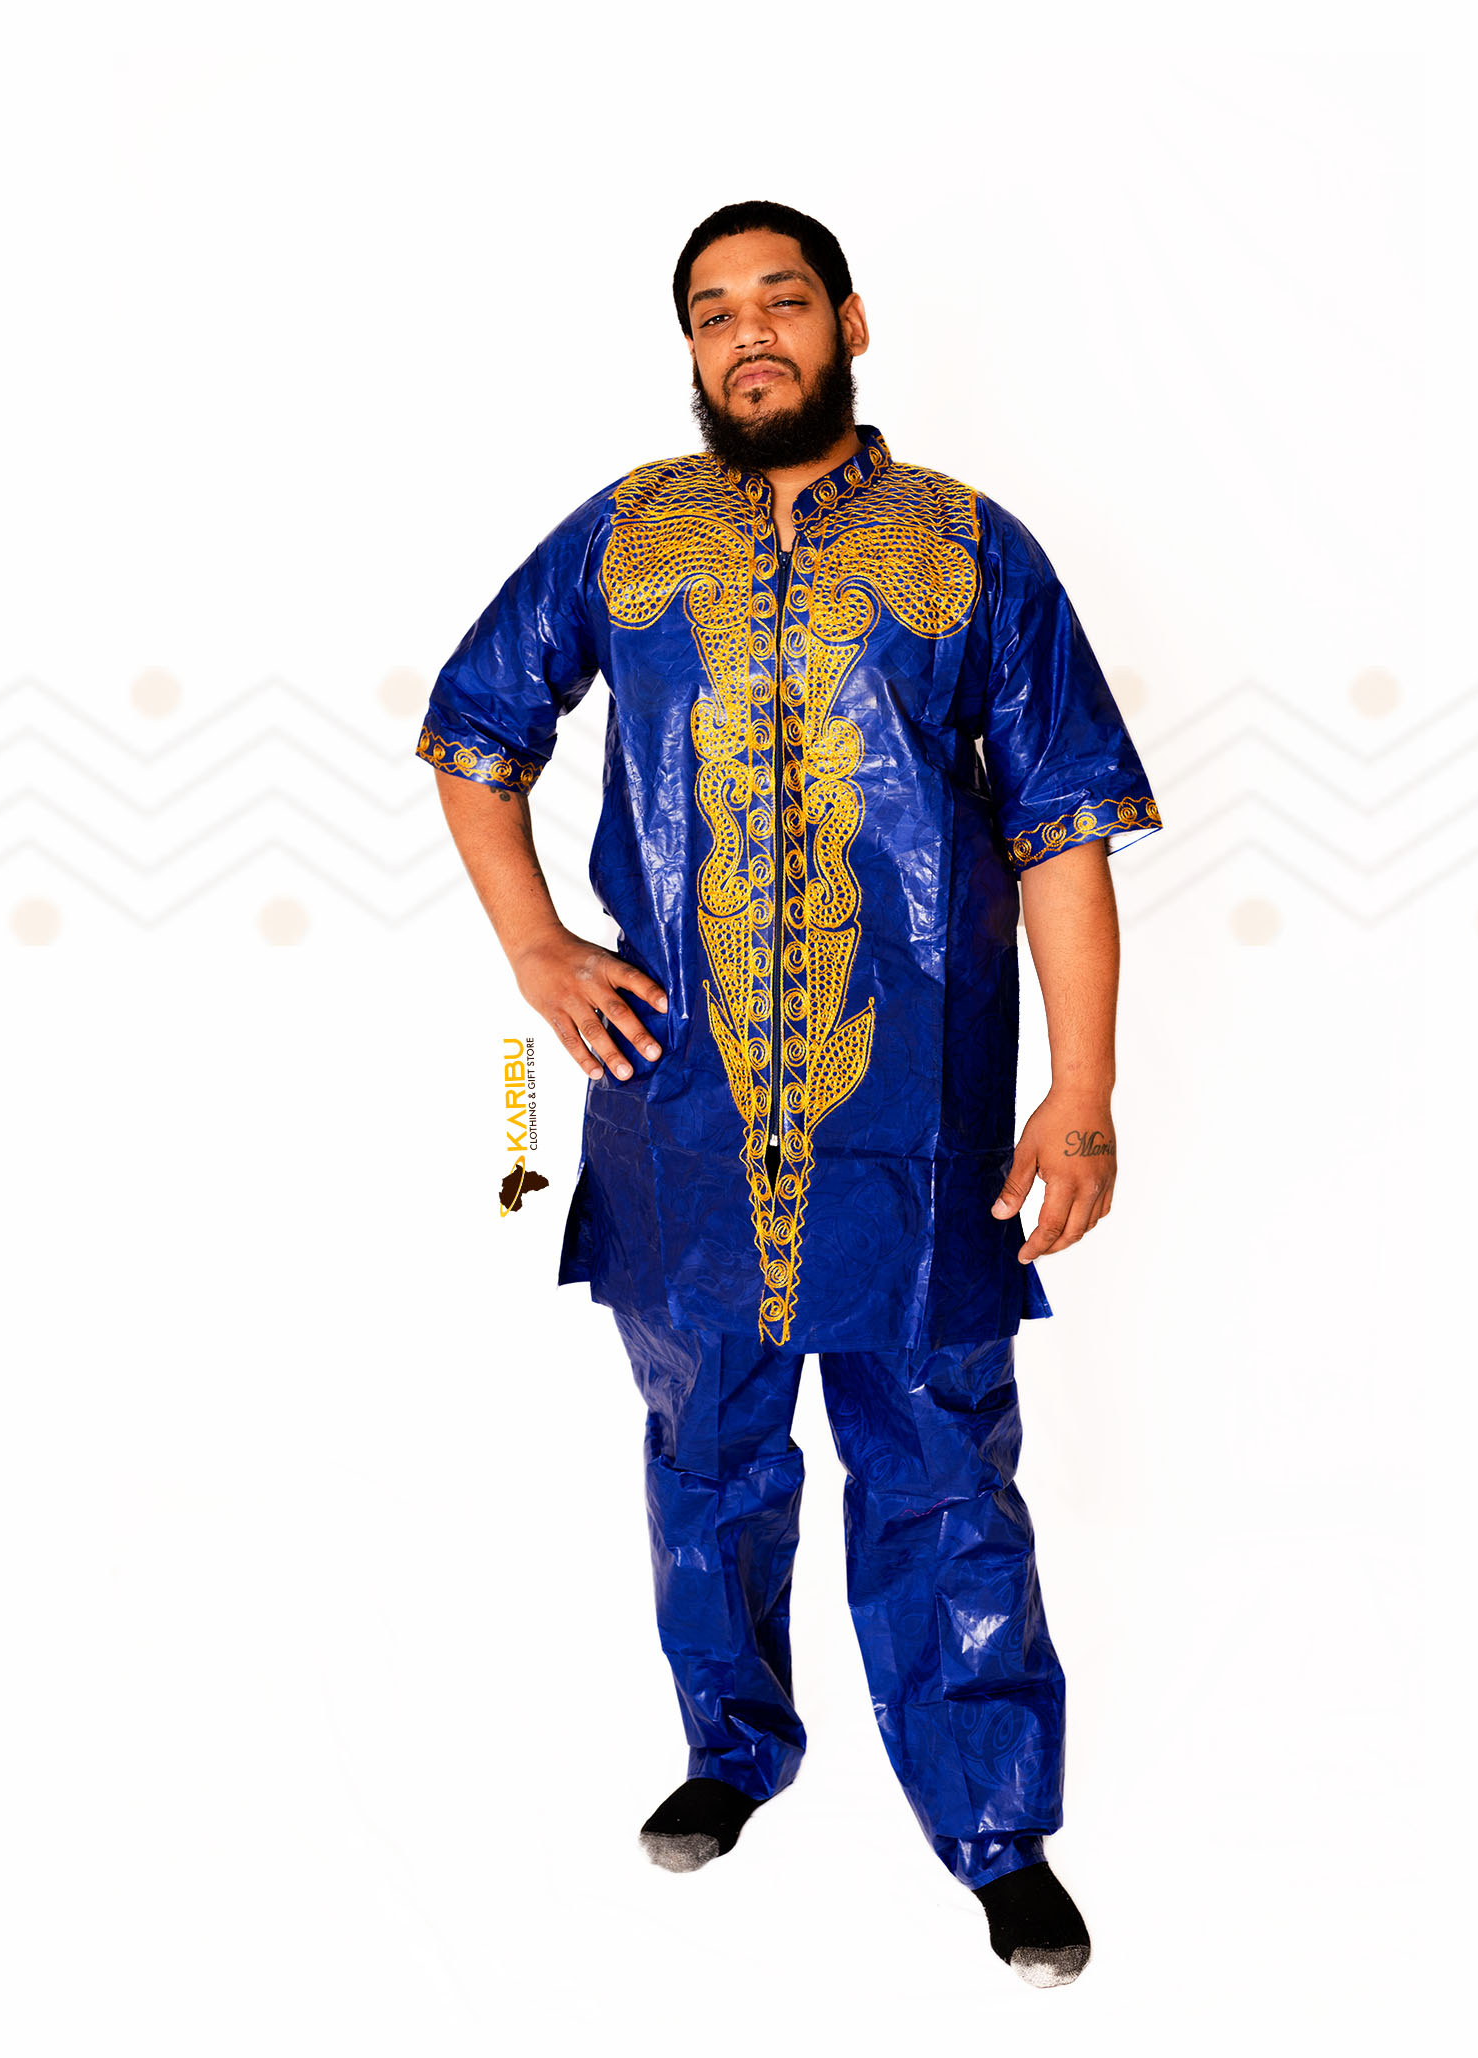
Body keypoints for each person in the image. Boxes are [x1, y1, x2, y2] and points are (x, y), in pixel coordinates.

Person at [418, 200, 1161, 1988]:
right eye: (713, 311)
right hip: (674, 1101)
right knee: (707, 1448)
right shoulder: (627, 535)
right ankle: (730, 1748)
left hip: (914, 1110)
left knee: (943, 1467)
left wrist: (1080, 1092)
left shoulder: (968, 549)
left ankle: (999, 1833)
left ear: (849, 321)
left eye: (781, 300)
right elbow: (472, 730)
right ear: (691, 347)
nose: (749, 332)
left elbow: (1062, 827)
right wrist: (536, 949)